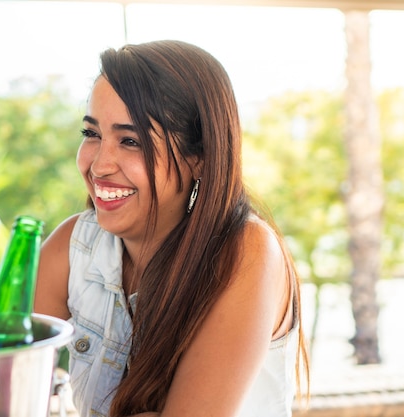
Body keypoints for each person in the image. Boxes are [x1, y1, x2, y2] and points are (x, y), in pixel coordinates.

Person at [35, 39, 309, 417]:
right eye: (91, 134)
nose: (98, 166)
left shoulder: (245, 251)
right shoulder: (74, 245)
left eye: (130, 141)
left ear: (199, 157)